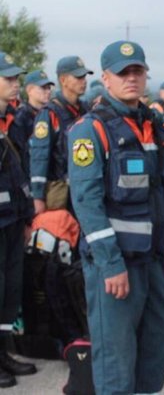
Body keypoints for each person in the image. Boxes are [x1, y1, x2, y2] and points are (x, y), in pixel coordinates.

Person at [68, 41, 164, 395]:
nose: (131, 78)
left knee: (158, 347)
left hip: (156, 261)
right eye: (123, 72)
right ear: (106, 78)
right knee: (116, 361)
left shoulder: (158, 128)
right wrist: (111, 265)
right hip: (117, 266)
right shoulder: (90, 130)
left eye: (137, 71)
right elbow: (86, 203)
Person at [0, 53, 37, 388]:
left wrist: (27, 216)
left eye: (16, 78)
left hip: (13, 219)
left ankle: (4, 351)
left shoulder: (12, 120)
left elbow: (18, 173)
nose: (16, 83)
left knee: (10, 289)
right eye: (8, 78)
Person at [30, 55, 91, 214]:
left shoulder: (86, 110)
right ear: (63, 80)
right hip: (61, 193)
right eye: (78, 77)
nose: (83, 80)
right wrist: (38, 196)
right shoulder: (49, 113)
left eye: (84, 76)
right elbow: (39, 156)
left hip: (85, 190)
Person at [15, 70, 53, 154]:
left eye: (49, 87)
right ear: (29, 90)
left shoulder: (52, 113)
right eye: (43, 87)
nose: (48, 91)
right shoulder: (21, 117)